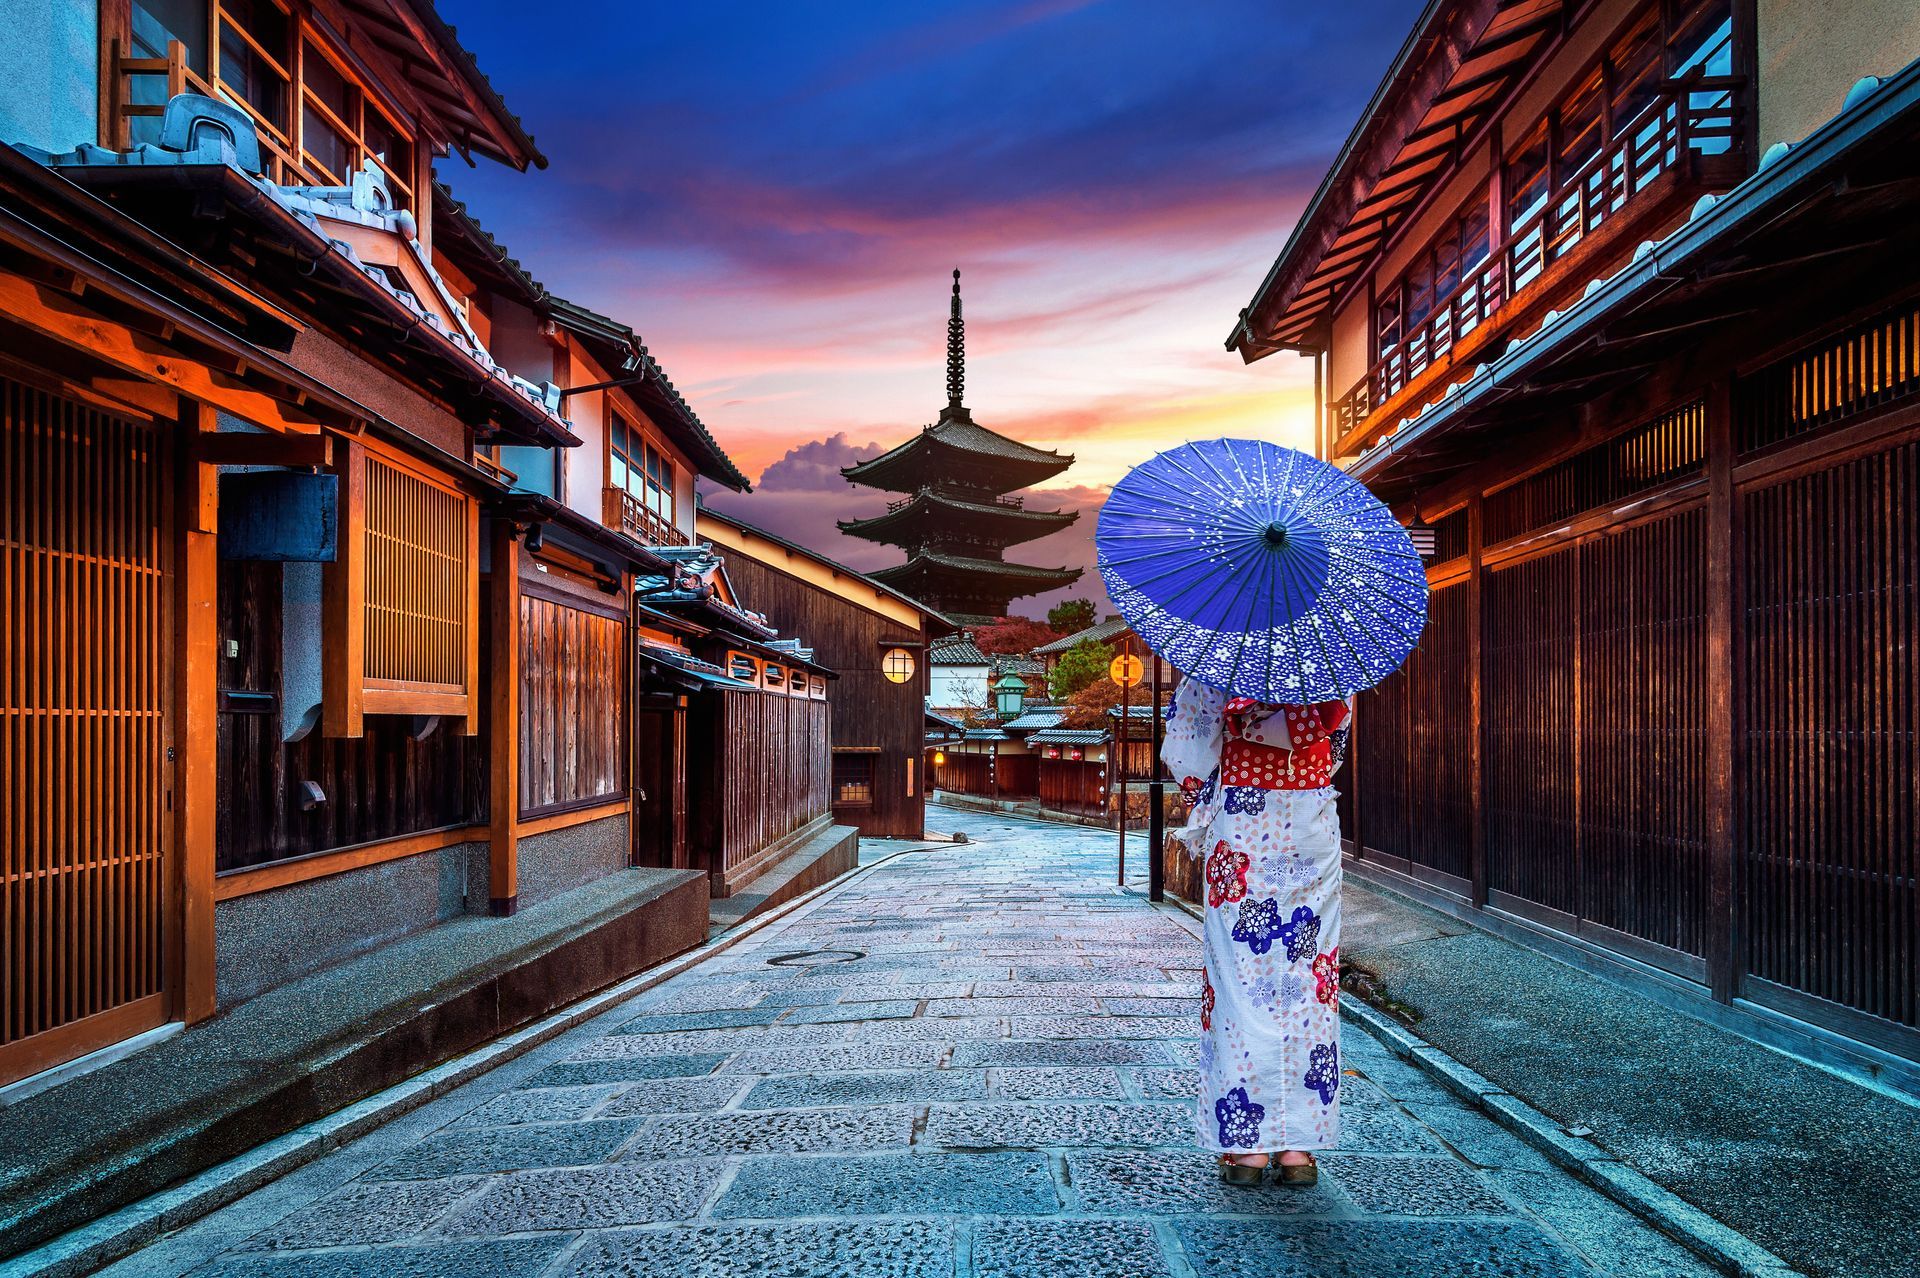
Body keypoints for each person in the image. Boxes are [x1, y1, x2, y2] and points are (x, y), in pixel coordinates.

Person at [1160, 677, 1351, 1187]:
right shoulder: (1329, 657)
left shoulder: (1221, 656)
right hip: (1311, 819)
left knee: (1240, 979)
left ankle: (1247, 1149)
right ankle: (1297, 1148)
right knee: (1310, 977)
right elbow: (1333, 750)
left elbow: (1187, 749)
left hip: (1244, 821)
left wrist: (1207, 798)